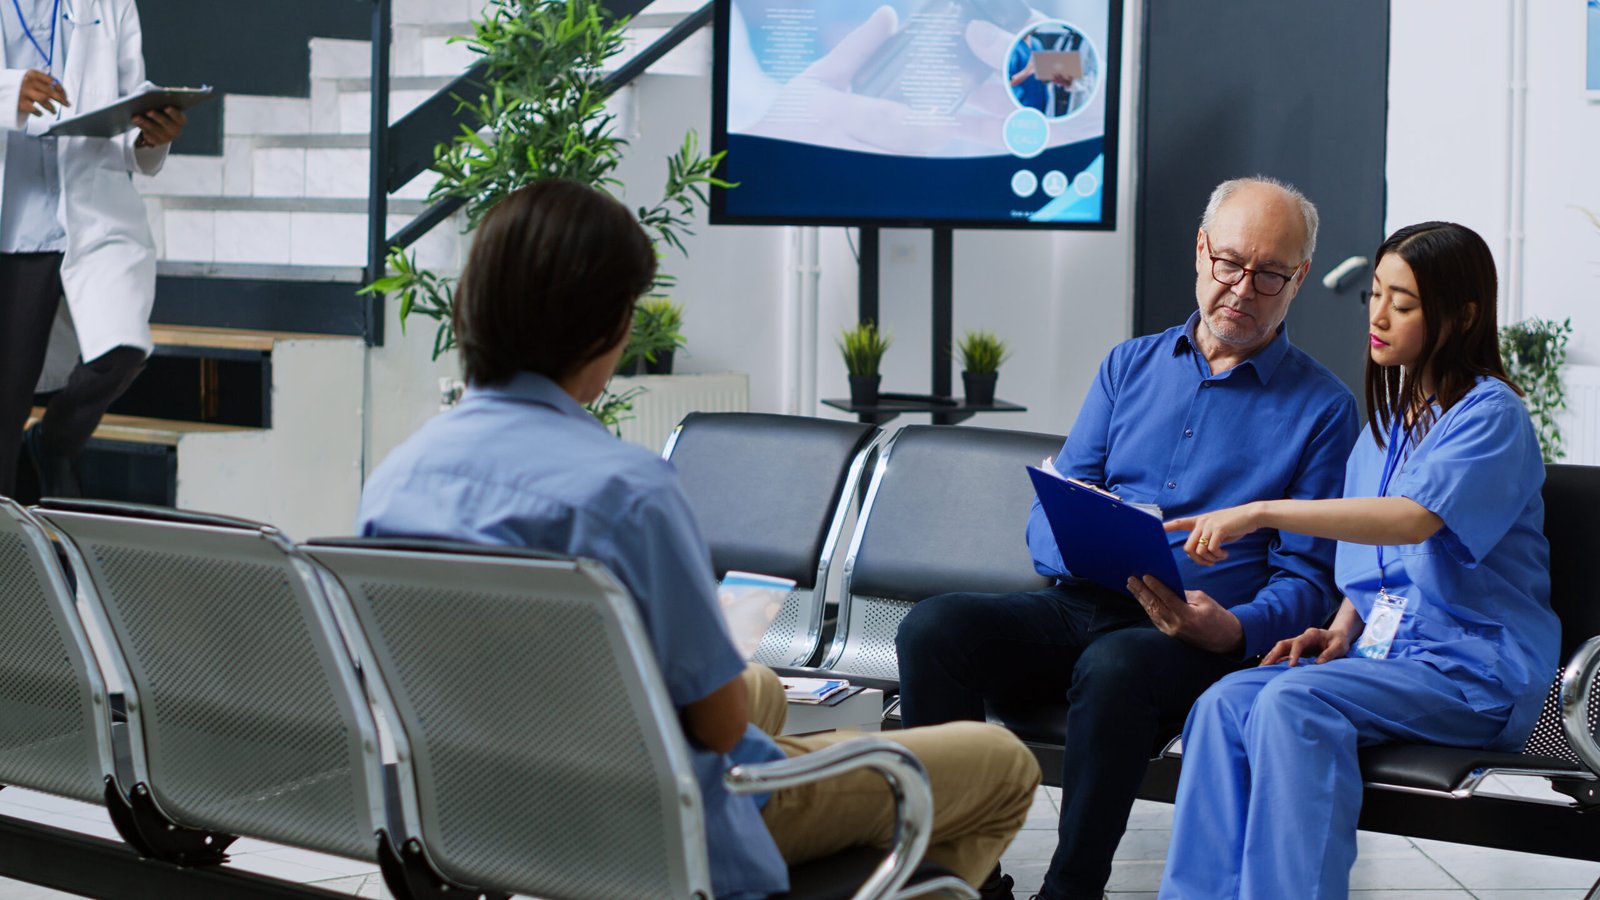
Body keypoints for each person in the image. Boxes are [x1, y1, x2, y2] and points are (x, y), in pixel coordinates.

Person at [357, 179, 1042, 900]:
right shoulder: (625, 492)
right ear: (603, 327)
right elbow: (716, 728)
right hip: (662, 824)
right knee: (1000, 764)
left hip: (491, 809)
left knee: (764, 689)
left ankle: (819, 757)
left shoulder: (397, 480)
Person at [894, 176, 1360, 900]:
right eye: (1230, 263)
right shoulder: (1128, 366)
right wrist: (1080, 539)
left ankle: (1071, 890)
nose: (1243, 288)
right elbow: (1050, 512)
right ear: (1201, 252)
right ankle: (961, 878)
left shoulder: (1324, 409)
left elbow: (1308, 581)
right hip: (1080, 603)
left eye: (1269, 274)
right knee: (934, 628)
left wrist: (1229, 628)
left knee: (1115, 667)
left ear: (1299, 279)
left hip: (1190, 642)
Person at [1156, 221, 1558, 899]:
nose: (1378, 315)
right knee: (1224, 704)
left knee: (1291, 707)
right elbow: (1379, 560)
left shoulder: (1493, 416)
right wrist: (1342, 630)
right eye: (1374, 294)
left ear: (1461, 316)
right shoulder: (1387, 425)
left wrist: (1262, 510)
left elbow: (1411, 522)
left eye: (1402, 303)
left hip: (1470, 672)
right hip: (1387, 662)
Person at [0, 0, 184, 501]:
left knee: (121, 350)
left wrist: (149, 136)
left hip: (89, 212)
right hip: (12, 225)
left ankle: (51, 445)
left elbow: (124, 109)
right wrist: (6, 91)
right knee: (5, 408)